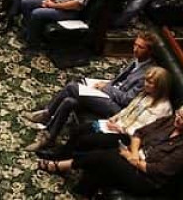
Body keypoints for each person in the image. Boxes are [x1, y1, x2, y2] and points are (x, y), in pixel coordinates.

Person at [37, 101, 183, 198]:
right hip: (135, 156)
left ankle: (62, 166)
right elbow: (139, 133)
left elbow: (156, 170)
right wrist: (133, 154)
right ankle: (83, 190)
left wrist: (132, 159)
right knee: (104, 150)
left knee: (106, 158)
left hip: (146, 179)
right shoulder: (168, 121)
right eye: (178, 114)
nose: (177, 119)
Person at [24, 32, 158, 151]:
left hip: (118, 109)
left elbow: (127, 100)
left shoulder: (148, 73)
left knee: (72, 87)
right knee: (69, 101)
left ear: (150, 51)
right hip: (109, 95)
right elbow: (119, 82)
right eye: (135, 45)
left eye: (140, 47)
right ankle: (49, 138)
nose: (135, 49)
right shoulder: (136, 59)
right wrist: (104, 85)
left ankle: (47, 114)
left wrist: (106, 88)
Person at [38, 66, 173, 160]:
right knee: (79, 129)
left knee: (86, 138)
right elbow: (128, 110)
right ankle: (62, 154)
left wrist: (122, 129)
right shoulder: (144, 95)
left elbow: (146, 132)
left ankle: (61, 158)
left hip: (127, 137)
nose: (146, 84)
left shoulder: (163, 109)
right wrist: (115, 118)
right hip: (116, 125)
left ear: (160, 86)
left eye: (150, 83)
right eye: (146, 81)